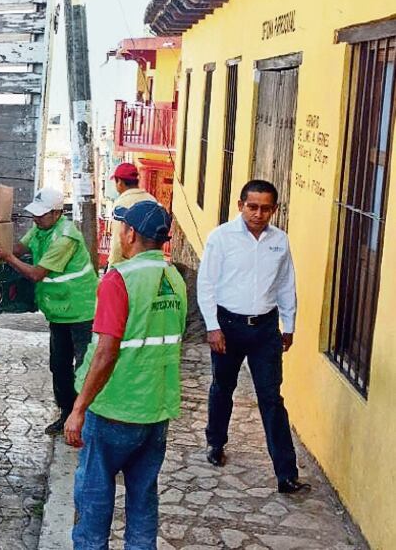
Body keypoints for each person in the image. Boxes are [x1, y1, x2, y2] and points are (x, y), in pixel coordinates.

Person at [64, 201, 186, 550]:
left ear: (130, 233)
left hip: (114, 409)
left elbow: (106, 352)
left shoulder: (119, 279)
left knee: (94, 499)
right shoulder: (174, 278)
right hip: (157, 410)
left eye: (121, 228)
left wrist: (78, 408)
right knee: (143, 499)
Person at [198, 179, 309, 494]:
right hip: (227, 326)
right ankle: (215, 441)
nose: (258, 214)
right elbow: (206, 284)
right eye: (253, 207)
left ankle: (286, 474)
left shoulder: (280, 241)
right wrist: (212, 326)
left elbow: (287, 284)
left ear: (274, 209)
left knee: (272, 398)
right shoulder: (221, 239)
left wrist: (289, 325)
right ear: (240, 205)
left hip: (265, 329)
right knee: (223, 387)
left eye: (266, 208)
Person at [0, 187, 98, 436]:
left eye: (41, 215)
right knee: (59, 365)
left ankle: (84, 421)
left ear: (58, 213)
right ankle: (66, 414)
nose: (36, 219)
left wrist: (6, 257)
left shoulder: (65, 238)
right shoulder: (40, 229)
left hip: (82, 310)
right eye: (35, 214)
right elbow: (19, 248)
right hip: (58, 312)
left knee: (83, 367)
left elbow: (36, 273)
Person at [108, 162, 157, 267]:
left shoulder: (121, 204)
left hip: (128, 268)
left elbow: (118, 242)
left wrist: (112, 269)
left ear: (120, 182)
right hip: (151, 265)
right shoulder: (151, 200)